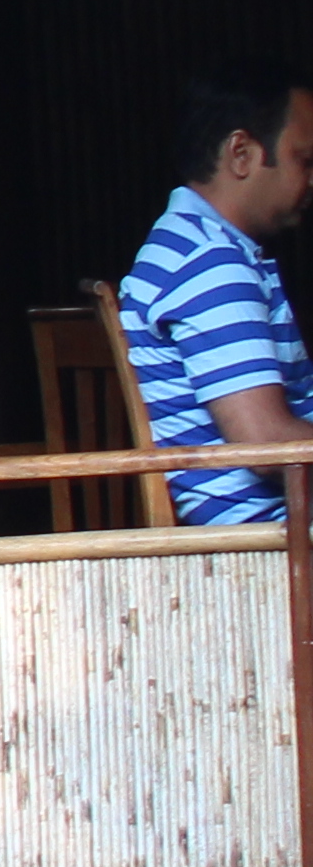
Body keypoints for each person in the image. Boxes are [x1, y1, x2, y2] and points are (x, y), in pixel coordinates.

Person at [117, 66, 313, 527]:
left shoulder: (192, 246)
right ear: (241, 153)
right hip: (267, 541)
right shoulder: (210, 263)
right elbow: (266, 445)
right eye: (305, 161)